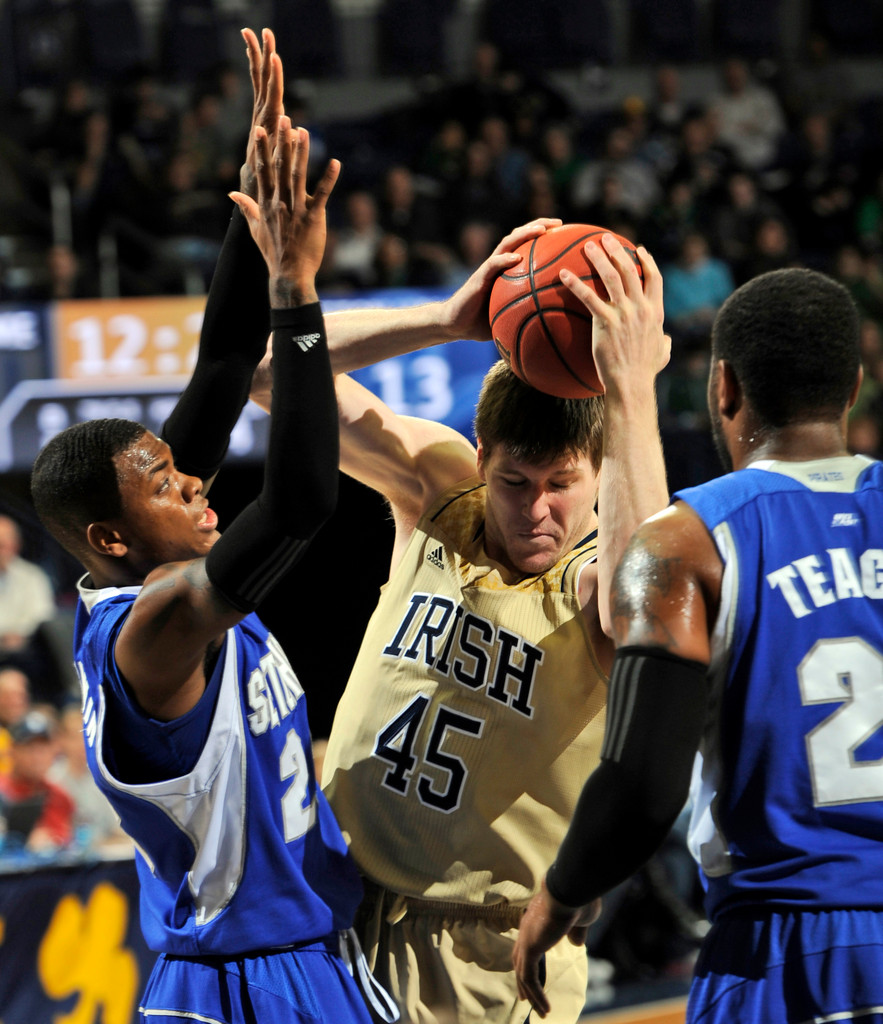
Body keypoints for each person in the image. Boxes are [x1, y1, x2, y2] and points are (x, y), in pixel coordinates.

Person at [30, 29, 394, 1024]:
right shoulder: (155, 624)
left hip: (304, 951)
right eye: (163, 482)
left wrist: (252, 202)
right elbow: (304, 501)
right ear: (113, 536)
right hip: (242, 978)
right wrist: (297, 289)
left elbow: (227, 363)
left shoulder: (149, 567)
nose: (194, 485)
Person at [252, 214, 670, 1020]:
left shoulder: (599, 579)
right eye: (516, 482)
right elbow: (273, 374)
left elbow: (642, 608)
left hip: (482, 950)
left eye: (562, 484)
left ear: (600, 474)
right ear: (481, 455)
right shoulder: (438, 492)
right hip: (331, 910)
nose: (537, 509)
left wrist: (629, 390)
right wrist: (443, 319)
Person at [513, 267, 883, 1024]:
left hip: (784, 944)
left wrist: (563, 894)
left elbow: (644, 784)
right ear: (852, 388)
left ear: (722, 388)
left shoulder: (688, 542)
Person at [0, 708, 73, 855]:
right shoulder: (2, 791)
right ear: (12, 750)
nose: (38, 757)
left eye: (43, 747)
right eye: (30, 747)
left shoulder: (61, 797)